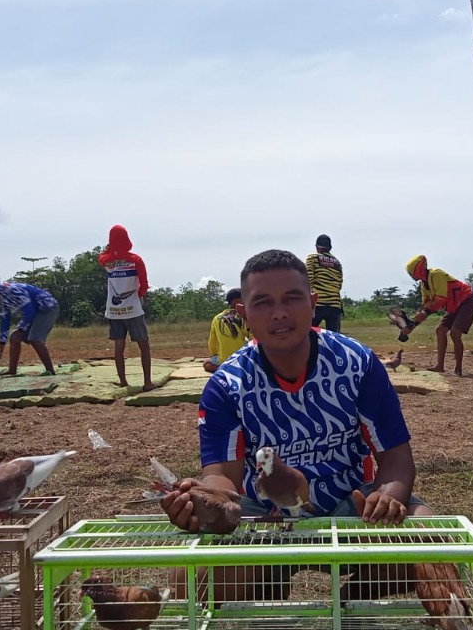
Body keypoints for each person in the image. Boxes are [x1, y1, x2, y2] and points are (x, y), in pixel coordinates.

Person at [160, 249, 435, 604]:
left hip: (351, 506)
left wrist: (387, 497)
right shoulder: (227, 385)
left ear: (312, 303)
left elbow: (396, 460)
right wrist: (213, 501)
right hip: (263, 517)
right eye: (263, 303)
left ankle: (353, 604)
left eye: (292, 298)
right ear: (244, 313)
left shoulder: (357, 363)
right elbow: (221, 475)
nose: (279, 313)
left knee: (430, 537)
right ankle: (270, 582)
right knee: (189, 582)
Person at [403, 255, 473, 376]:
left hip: (466, 301)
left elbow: (440, 299)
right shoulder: (423, 285)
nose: (411, 275)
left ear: (419, 269)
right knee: (440, 330)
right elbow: (426, 306)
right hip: (454, 306)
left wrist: (421, 315)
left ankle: (458, 369)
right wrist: (412, 324)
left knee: (455, 333)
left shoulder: (436, 274)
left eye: (411, 272)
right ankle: (440, 366)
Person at [100, 225, 154, 391]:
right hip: (133, 308)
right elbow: (143, 283)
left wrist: (112, 249)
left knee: (119, 345)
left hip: (114, 310)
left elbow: (102, 257)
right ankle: (147, 382)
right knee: (143, 344)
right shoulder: (135, 259)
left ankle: (123, 381)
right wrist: (140, 294)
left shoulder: (106, 261)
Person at [0, 276, 59, 376]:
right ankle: (12, 370)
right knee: (14, 337)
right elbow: (4, 324)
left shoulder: (12, 290)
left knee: (35, 339)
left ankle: (51, 371)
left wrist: (21, 327)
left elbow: (30, 310)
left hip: (47, 307)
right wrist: (0, 350)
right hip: (35, 312)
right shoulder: (0, 301)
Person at [204, 288, 251, 373]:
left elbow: (212, 343)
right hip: (243, 359)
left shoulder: (217, 318)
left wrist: (214, 354)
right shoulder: (244, 316)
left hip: (224, 359)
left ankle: (227, 369)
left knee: (206, 364)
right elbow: (253, 338)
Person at [305, 234, 344, 331]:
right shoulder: (337, 263)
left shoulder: (312, 258)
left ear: (316, 247)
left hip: (317, 303)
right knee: (334, 338)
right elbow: (339, 284)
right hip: (335, 304)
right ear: (330, 247)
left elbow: (308, 280)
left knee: (309, 334)